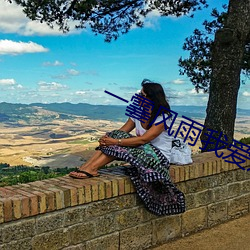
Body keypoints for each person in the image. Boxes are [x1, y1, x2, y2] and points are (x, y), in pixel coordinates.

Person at [69, 79, 185, 215]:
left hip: (158, 157)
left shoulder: (163, 116)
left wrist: (115, 141)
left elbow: (144, 139)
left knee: (117, 141)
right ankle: (87, 167)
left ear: (151, 98)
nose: (139, 97)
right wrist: (107, 139)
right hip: (142, 150)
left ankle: (92, 168)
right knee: (115, 135)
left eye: (142, 95)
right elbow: (123, 131)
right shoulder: (138, 112)